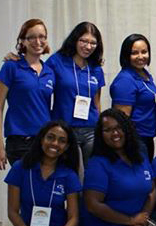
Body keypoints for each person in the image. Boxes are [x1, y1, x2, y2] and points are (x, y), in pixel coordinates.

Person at [0, 18, 55, 170]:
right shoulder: (11, 67)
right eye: (31, 37)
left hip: (45, 142)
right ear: (23, 41)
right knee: (25, 189)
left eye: (42, 37)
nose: (37, 41)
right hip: (20, 143)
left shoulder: (50, 72)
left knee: (41, 190)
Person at [83, 109, 156, 226]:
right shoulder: (98, 163)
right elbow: (93, 205)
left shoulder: (140, 157)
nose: (115, 133)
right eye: (108, 130)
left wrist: (143, 218)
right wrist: (130, 221)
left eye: (119, 127)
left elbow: (152, 191)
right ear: (101, 135)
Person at [46, 21, 106, 163]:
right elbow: (38, 79)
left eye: (93, 43)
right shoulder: (57, 61)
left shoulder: (96, 68)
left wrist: (100, 129)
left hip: (90, 129)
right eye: (83, 41)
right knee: (70, 173)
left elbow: (97, 102)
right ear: (75, 40)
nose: (88, 46)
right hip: (64, 129)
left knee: (90, 174)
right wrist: (17, 58)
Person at [4, 121, 82, 226]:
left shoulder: (69, 174)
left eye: (62, 141)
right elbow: (12, 212)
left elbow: (73, 217)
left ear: (67, 146)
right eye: (50, 137)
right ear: (41, 139)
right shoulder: (20, 168)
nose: (55, 143)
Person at [110, 34, 156, 159]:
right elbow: (122, 120)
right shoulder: (125, 80)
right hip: (134, 139)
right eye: (134, 53)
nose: (140, 57)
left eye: (144, 52)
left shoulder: (145, 75)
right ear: (126, 55)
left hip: (147, 136)